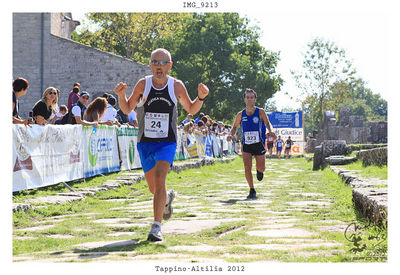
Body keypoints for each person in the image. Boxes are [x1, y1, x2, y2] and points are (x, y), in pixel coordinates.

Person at [114, 48, 209, 242]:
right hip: (145, 142)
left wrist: (200, 97)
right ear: (150, 64)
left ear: (170, 65)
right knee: (154, 188)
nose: (159, 66)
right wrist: (121, 95)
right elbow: (127, 108)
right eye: (155, 62)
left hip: (167, 141)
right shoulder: (143, 84)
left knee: (160, 178)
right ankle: (166, 199)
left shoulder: (176, 85)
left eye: (163, 63)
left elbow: (191, 108)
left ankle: (156, 227)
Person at [227, 89, 272, 199]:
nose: (250, 99)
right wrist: (231, 134)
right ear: (244, 99)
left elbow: (267, 123)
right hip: (246, 144)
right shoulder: (240, 114)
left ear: (255, 99)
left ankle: (259, 170)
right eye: (247, 97)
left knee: (261, 168)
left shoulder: (260, 112)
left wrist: (271, 131)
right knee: (247, 167)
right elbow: (234, 127)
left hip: (258, 143)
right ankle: (252, 190)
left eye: (252, 97)